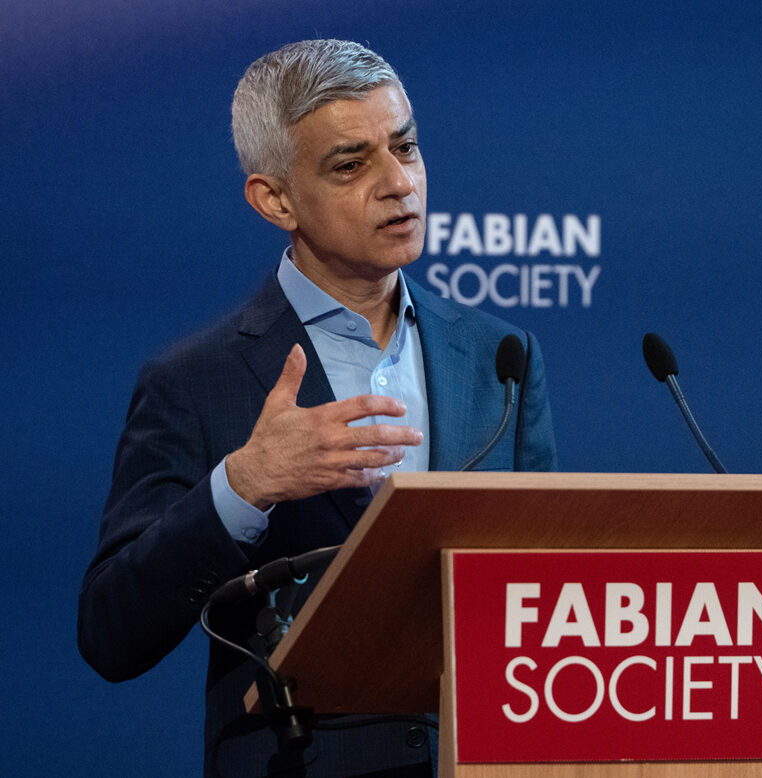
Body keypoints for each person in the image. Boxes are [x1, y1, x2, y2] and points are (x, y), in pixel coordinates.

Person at [78, 39, 557, 778]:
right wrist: (243, 485)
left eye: (406, 147)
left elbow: (541, 587)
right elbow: (111, 634)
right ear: (275, 200)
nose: (399, 183)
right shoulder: (194, 382)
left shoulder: (501, 356)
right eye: (351, 165)